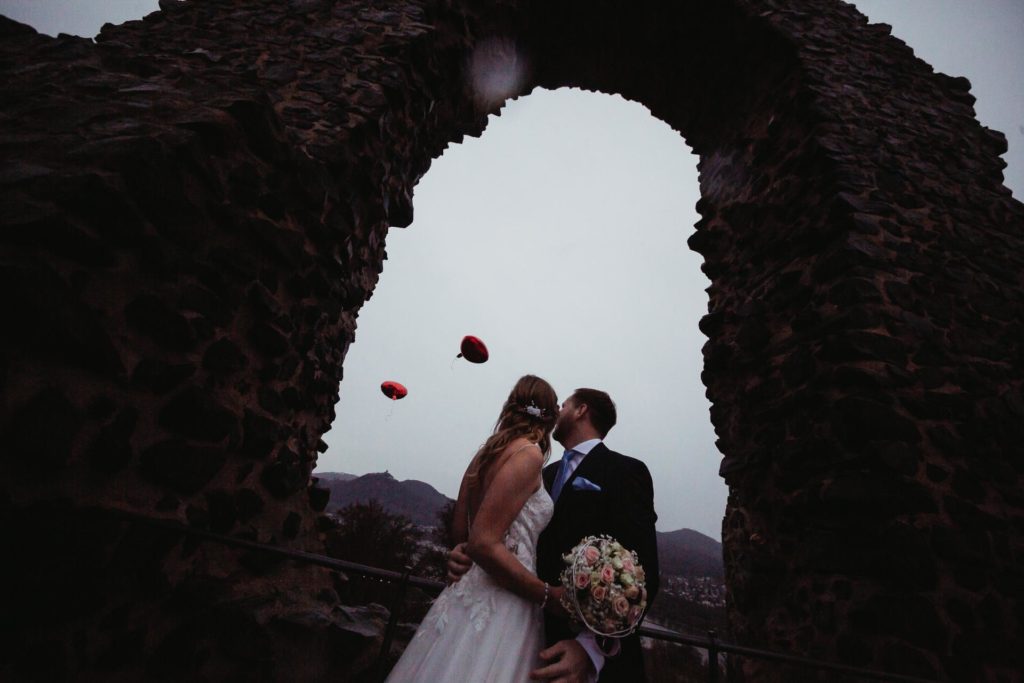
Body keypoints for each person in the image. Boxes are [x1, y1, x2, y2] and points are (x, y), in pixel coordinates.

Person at [450, 388, 660, 683]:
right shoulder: (542, 473)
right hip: (522, 631)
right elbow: (502, 533)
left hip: (584, 660)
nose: (557, 411)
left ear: (581, 410)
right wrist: (467, 552)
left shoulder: (626, 471)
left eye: (564, 405)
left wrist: (590, 650)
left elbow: (643, 573)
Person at [384, 375, 564, 682]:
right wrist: (547, 594)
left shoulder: (484, 456)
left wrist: (460, 552)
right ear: (548, 416)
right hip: (507, 598)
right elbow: (481, 542)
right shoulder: (529, 455)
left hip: (467, 589)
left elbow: (461, 534)